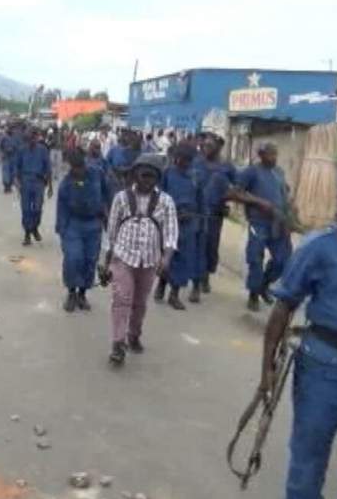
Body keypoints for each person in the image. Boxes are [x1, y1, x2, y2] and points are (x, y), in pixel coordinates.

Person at [260, 157, 337, 499]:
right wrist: (267, 368)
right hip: (323, 370)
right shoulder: (320, 246)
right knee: (309, 458)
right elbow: (283, 308)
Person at [101, 154, 178, 366]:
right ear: (135, 175)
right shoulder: (121, 198)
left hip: (150, 259)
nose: (147, 180)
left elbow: (171, 232)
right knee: (121, 299)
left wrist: (167, 257)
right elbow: (112, 230)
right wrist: (106, 262)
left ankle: (134, 334)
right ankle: (118, 343)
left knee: (140, 302)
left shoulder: (166, 201)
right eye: (143, 175)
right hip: (123, 256)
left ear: (157, 178)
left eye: (152, 176)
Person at [235, 142, 294, 312]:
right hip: (258, 222)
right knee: (255, 258)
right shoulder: (251, 171)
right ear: (261, 155)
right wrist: (258, 202)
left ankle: (264, 285)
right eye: (270, 154)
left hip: (278, 221)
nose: (274, 157)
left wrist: (289, 213)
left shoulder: (279, 172)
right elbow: (236, 192)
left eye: (275, 154)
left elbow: (285, 193)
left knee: (283, 259)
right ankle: (253, 294)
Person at [56, 150, 110, 312]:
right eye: (75, 167)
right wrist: (62, 231)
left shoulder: (97, 174)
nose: (79, 170)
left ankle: (82, 294)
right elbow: (61, 208)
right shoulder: (66, 184)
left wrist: (108, 217)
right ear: (70, 167)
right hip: (74, 224)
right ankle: (71, 292)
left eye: (81, 166)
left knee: (90, 260)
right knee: (73, 258)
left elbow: (108, 194)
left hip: (94, 224)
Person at [154, 143, 203, 310]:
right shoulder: (167, 173)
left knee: (184, 260)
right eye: (181, 159)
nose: (184, 162)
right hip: (170, 220)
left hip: (189, 223)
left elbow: (200, 199)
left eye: (188, 160)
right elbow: (159, 196)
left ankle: (174, 295)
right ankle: (161, 283)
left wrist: (198, 217)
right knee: (168, 255)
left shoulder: (195, 176)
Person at [195, 136, 236, 293]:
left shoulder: (226, 166)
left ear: (219, 146)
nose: (205, 148)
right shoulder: (197, 162)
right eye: (204, 145)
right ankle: (198, 281)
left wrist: (227, 199)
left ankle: (206, 275)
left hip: (215, 214)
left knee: (211, 247)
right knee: (198, 245)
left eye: (210, 146)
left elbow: (238, 185)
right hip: (197, 212)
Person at [15, 128, 53, 246]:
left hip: (39, 182)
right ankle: (27, 234)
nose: (32, 139)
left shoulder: (43, 150)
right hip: (25, 182)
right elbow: (17, 168)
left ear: (37, 138)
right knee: (26, 209)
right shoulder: (22, 150)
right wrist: (17, 184)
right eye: (30, 137)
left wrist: (50, 186)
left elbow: (48, 169)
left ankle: (35, 227)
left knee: (37, 208)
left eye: (34, 137)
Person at [0, 124, 21, 193]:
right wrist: (1, 154)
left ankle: (10, 185)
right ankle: (6, 186)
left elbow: (19, 147)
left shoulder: (16, 138)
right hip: (6, 157)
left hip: (14, 157)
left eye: (12, 129)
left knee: (12, 172)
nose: (11, 130)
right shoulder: (3, 137)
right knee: (5, 172)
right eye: (10, 129)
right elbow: (0, 146)